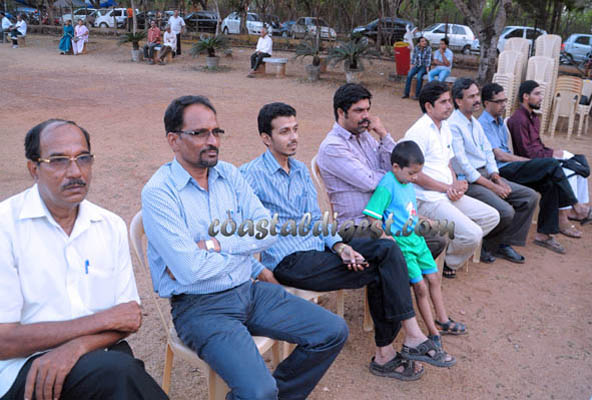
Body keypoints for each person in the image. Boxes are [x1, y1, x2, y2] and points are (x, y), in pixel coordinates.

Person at [141, 95, 348, 400]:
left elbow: (268, 231)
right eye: (200, 133)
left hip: (248, 291)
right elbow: (190, 270)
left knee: (332, 331)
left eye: (216, 132)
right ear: (174, 140)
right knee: (258, 391)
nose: (212, 141)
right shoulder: (159, 192)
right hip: (201, 308)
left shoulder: (229, 174)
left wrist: (214, 244)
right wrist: (241, 252)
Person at [241, 102, 456, 381]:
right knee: (386, 265)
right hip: (289, 262)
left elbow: (316, 219)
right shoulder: (249, 175)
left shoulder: (300, 170)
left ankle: (393, 348)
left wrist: (340, 247)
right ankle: (401, 343)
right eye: (284, 132)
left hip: (319, 252)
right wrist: (260, 270)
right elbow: (234, 232)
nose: (293, 137)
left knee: (388, 251)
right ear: (266, 138)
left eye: (295, 129)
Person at [0, 119, 168, 400]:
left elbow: (128, 319)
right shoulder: (5, 228)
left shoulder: (109, 225)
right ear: (33, 169)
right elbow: (4, 341)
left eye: (83, 158)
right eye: (58, 161)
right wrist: (102, 320)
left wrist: (76, 347)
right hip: (27, 369)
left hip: (98, 354)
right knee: (117, 374)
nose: (75, 172)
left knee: (116, 371)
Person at [317, 83, 448, 259]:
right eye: (359, 111)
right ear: (341, 112)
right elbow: (370, 181)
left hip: (386, 215)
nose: (366, 116)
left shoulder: (364, 136)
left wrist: (383, 134)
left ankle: (401, 271)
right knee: (394, 246)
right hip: (356, 224)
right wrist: (395, 175)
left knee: (436, 237)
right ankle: (396, 272)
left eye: (367, 110)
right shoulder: (333, 146)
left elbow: (396, 164)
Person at [363, 141, 467, 346]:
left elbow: (407, 213)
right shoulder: (387, 185)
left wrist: (425, 221)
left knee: (434, 279)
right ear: (396, 167)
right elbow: (372, 215)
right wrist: (384, 235)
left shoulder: (407, 183)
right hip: (403, 245)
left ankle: (442, 320)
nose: (415, 177)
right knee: (420, 286)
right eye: (412, 173)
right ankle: (432, 332)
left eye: (418, 172)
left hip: (417, 240)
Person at [480, 83, 592, 253]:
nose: (503, 105)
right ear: (486, 103)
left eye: (505, 101)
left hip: (513, 166)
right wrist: (527, 162)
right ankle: (576, 205)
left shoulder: (500, 122)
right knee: (551, 164)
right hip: (500, 170)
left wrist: (529, 162)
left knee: (550, 183)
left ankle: (544, 235)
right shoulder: (484, 124)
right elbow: (500, 155)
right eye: (499, 102)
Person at [404, 81, 500, 279]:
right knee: (472, 233)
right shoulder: (418, 132)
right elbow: (415, 175)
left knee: (491, 216)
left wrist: (455, 184)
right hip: (428, 199)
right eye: (443, 102)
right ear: (428, 106)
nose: (449, 106)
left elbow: (447, 162)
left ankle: (448, 258)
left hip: (446, 193)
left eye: (449, 101)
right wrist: (446, 188)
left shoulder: (444, 127)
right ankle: (446, 263)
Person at [448, 78, 539, 263]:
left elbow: (488, 152)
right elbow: (464, 166)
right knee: (505, 211)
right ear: (458, 101)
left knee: (529, 196)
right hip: (469, 181)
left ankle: (504, 243)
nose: (477, 100)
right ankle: (486, 246)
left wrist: (497, 178)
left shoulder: (474, 122)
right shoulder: (453, 125)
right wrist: (493, 187)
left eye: (477, 95)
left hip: (486, 175)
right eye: (471, 97)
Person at [507, 80, 592, 228]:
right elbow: (527, 152)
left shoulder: (533, 118)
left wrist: (552, 152)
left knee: (578, 165)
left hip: (540, 156)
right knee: (568, 170)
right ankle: (564, 215)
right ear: (525, 96)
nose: (541, 98)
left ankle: (580, 209)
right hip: (529, 164)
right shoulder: (519, 120)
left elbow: (538, 145)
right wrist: (551, 154)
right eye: (537, 94)